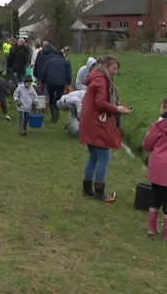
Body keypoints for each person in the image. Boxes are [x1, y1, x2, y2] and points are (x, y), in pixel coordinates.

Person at [79, 55, 132, 202]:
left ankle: (87, 189)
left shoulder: (96, 77)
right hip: (95, 123)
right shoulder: (101, 81)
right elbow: (101, 103)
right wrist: (117, 109)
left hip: (88, 121)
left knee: (94, 155)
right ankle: (99, 191)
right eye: (114, 68)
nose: (115, 72)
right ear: (106, 67)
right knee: (104, 156)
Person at [142, 98, 167, 238]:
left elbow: (146, 144)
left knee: (156, 197)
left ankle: (152, 229)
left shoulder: (158, 126)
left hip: (158, 167)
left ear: (164, 108)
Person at [40, 50, 72, 123]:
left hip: (50, 82)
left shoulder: (49, 61)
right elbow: (68, 74)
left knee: (51, 97)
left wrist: (42, 81)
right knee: (58, 98)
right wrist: (68, 83)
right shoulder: (66, 62)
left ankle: (52, 114)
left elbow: (44, 72)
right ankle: (55, 117)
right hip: (61, 83)